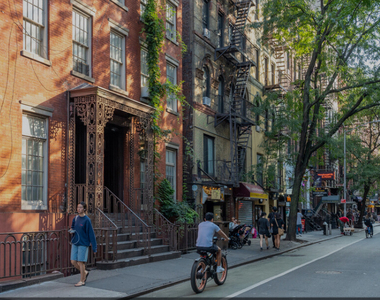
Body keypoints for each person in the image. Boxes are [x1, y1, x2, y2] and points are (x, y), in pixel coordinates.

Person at [70, 202, 97, 287]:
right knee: (73, 261)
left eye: (81, 207)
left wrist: (94, 248)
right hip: (75, 242)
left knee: (80, 262)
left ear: (84, 209)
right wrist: (71, 230)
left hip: (83, 243)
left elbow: (91, 234)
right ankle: (85, 272)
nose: (79, 209)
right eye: (78, 207)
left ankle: (82, 280)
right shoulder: (75, 218)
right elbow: (72, 227)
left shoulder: (87, 220)